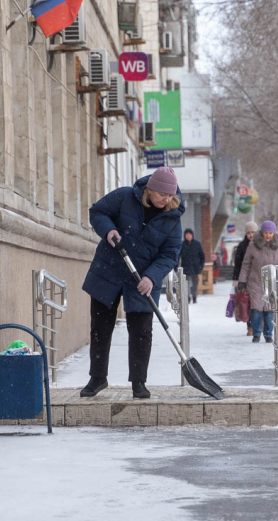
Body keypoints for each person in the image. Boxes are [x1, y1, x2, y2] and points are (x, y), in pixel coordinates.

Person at [80, 167, 184, 399]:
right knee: (100, 327)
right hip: (109, 270)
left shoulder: (173, 218)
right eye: (161, 194)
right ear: (150, 189)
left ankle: (139, 382)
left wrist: (151, 277)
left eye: (169, 195)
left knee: (141, 331)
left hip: (143, 279)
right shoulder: (125, 196)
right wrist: (109, 231)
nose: (165, 199)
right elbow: (97, 212)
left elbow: (169, 255)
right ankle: (97, 378)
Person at [237, 221, 278, 343]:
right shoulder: (253, 246)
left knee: (269, 309)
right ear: (262, 233)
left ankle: (268, 334)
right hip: (255, 282)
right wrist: (242, 280)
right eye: (266, 233)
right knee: (256, 309)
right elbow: (246, 264)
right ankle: (257, 333)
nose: (268, 235)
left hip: (271, 282)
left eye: (270, 233)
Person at [231, 221, 259, 336]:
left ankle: (260, 324)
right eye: (249, 233)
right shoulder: (242, 246)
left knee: (259, 303)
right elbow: (238, 264)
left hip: (258, 278)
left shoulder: (261, 244)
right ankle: (250, 327)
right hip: (246, 279)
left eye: (253, 232)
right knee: (247, 303)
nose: (251, 235)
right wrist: (235, 279)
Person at [179, 228, 205, 303]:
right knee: (186, 284)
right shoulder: (182, 245)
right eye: (187, 235)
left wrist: (201, 266)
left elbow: (202, 256)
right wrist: (176, 266)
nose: (188, 236)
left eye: (190, 235)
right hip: (186, 268)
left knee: (195, 284)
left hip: (195, 268)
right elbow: (178, 256)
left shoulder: (197, 244)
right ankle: (187, 297)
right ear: (185, 236)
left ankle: (194, 297)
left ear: (192, 235)